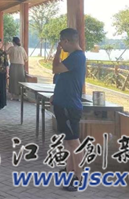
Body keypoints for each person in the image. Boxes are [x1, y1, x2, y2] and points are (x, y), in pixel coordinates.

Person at [51, 28, 86, 192]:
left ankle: (79, 177)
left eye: (61, 42)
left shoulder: (77, 57)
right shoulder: (72, 57)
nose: (60, 45)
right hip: (62, 103)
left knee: (73, 142)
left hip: (69, 106)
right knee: (68, 141)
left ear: (66, 41)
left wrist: (57, 52)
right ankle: (69, 170)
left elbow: (56, 68)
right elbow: (63, 78)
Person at [7, 37, 28, 101]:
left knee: (12, 80)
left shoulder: (11, 48)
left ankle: (12, 95)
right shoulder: (22, 49)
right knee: (20, 80)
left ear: (13, 42)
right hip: (21, 66)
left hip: (13, 65)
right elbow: (26, 59)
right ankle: (19, 96)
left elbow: (5, 53)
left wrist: (6, 46)